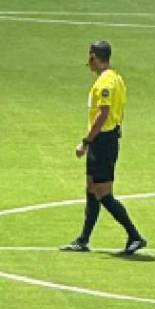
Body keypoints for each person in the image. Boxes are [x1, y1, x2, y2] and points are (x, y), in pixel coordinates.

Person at [61, 41, 148, 256]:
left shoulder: (105, 83)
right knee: (91, 188)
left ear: (94, 57)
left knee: (103, 193)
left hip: (103, 141)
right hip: (106, 138)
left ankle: (135, 235)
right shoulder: (116, 78)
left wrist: (87, 142)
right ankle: (83, 239)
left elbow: (103, 114)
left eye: (89, 57)